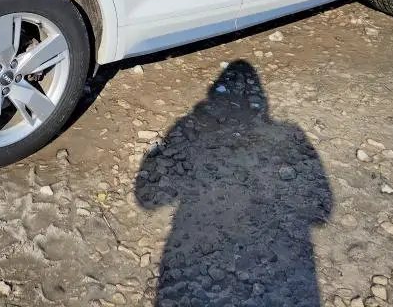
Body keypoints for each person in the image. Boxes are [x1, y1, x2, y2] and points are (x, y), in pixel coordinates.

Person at [136, 60, 332, 307]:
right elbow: (321, 213)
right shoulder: (290, 133)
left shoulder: (188, 125)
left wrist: (156, 156)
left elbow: (147, 199)